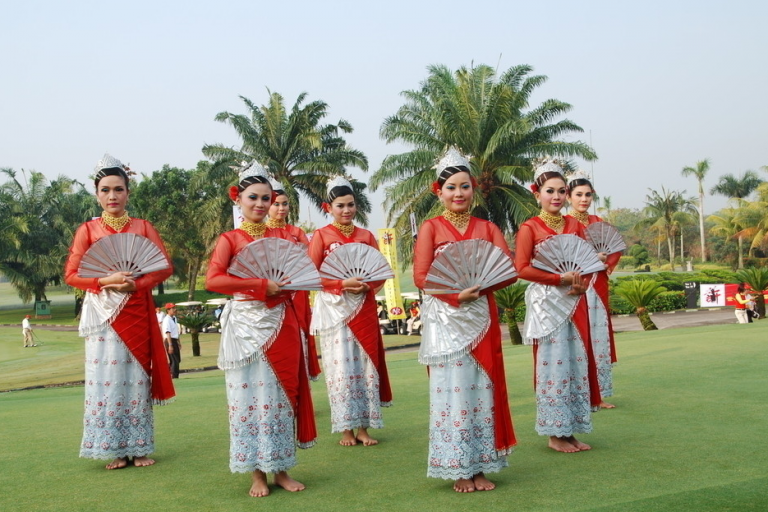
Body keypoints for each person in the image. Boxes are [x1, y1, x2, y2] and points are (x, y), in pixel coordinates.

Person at [205, 160, 316, 497]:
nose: (260, 205)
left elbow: (301, 274)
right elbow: (214, 279)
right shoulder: (230, 239)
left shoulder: (283, 236)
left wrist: (283, 286)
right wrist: (258, 285)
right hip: (244, 327)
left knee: (281, 397)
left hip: (280, 322)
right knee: (247, 399)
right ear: (237, 198)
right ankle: (256, 474)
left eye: (266, 199)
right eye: (252, 197)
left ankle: (281, 469)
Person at [413, 147, 517, 493]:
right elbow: (422, 276)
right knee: (453, 392)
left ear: (474, 189)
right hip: (446, 320)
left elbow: (507, 270)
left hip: (481, 318)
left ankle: (483, 464)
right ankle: (459, 465)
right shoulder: (430, 228)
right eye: (450, 188)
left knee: (482, 388)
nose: (458, 194)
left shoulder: (487, 228)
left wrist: (483, 284)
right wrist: (454, 296)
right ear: (438, 192)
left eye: (464, 186)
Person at [64, 153, 175, 470]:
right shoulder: (87, 230)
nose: (112, 196)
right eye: (105, 190)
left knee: (135, 379)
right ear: (97, 193)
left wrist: (137, 286)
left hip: (136, 311)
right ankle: (113, 448)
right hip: (104, 317)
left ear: (128, 192)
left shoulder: (143, 227)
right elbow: (72, 275)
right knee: (107, 380)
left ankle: (138, 446)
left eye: (118, 189)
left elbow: (163, 267)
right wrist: (105, 280)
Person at [515, 158, 601, 453]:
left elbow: (585, 262)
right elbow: (522, 268)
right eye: (549, 191)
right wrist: (557, 278)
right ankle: (554, 433)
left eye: (561, 191)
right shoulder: (529, 228)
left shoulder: (575, 225)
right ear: (536, 192)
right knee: (553, 365)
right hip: (546, 304)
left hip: (574, 300)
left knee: (576, 363)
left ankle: (571, 429)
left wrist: (580, 284)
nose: (556, 197)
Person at [309, 176, 393, 447]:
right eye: (340, 206)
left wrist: (367, 286)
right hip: (335, 311)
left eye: (351, 205)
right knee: (341, 368)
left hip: (363, 307)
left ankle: (364, 428)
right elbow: (310, 275)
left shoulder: (366, 236)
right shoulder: (321, 236)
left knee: (366, 366)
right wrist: (340, 283)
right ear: (328, 207)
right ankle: (346, 428)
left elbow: (379, 272)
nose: (346, 210)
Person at [566, 171, 621, 408]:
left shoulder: (599, 223)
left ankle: (598, 393)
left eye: (588, 194)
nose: (584, 199)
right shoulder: (566, 224)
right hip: (577, 284)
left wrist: (605, 263)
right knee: (579, 337)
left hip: (597, 285)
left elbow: (615, 247)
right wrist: (591, 257)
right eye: (579, 194)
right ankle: (580, 393)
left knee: (598, 338)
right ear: (569, 196)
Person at [266, 179, 321, 381]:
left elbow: (309, 262)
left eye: (285, 203)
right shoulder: (263, 233)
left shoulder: (296, 232)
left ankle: (302, 386)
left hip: (297, 292)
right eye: (276, 203)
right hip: (272, 292)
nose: (281, 208)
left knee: (300, 334)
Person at [162, 303, 181, 378]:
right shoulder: (167, 320)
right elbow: (168, 333)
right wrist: (170, 345)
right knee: (174, 359)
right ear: (168, 310)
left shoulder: (174, 318)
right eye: (172, 308)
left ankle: (174, 374)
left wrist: (178, 342)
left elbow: (176, 331)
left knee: (177, 359)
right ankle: (174, 375)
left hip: (174, 339)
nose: (174, 310)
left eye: (174, 308)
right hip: (169, 340)